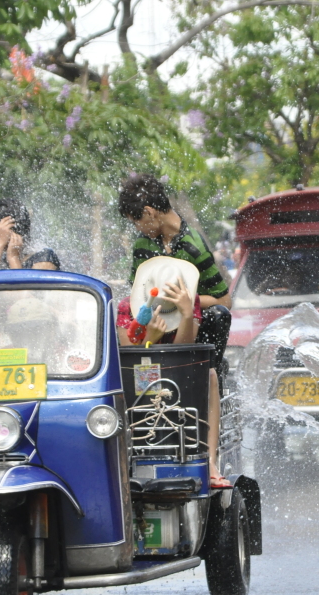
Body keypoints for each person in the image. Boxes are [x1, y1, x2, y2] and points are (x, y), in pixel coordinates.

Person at [118, 173, 233, 486]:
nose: (137, 229)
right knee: (140, 366)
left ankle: (209, 454)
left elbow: (223, 298)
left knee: (215, 330)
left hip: (189, 321)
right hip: (149, 328)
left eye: (136, 221)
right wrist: (150, 330)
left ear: (149, 213)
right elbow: (138, 296)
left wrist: (185, 304)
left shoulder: (193, 247)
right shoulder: (144, 244)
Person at [0, 199, 61, 270]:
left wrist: (13, 258)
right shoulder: (3, 259)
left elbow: (26, 284)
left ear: (5, 229)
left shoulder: (44, 259)